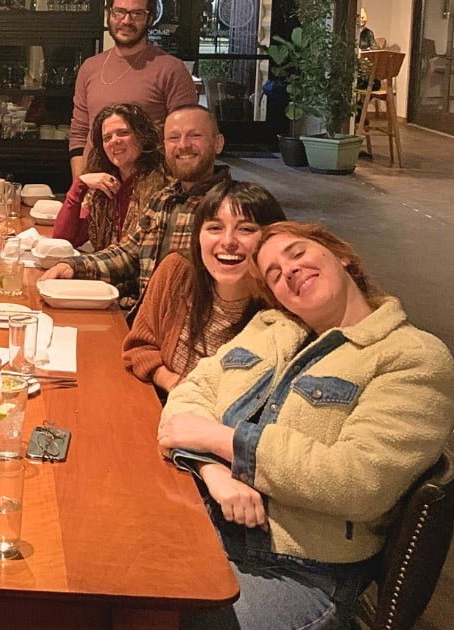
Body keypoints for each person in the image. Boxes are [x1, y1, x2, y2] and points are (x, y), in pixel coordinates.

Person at [157, 222, 454, 629]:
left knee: (154, 618)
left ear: (342, 255)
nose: (290, 271)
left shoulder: (411, 358)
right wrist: (213, 472)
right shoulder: (270, 329)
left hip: (303, 573)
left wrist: (221, 439)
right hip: (206, 524)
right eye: (274, 274)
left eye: (297, 254)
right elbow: (192, 392)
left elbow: (355, 481)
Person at [40, 105, 231, 308]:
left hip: (176, 320)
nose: (183, 145)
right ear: (165, 146)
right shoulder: (164, 199)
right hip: (142, 312)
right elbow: (128, 254)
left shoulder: (232, 207)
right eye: (174, 138)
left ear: (217, 143)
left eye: (195, 135)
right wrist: (72, 267)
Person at [123, 181, 285, 395]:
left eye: (246, 229)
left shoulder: (283, 307)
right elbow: (140, 347)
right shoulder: (177, 271)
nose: (228, 241)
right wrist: (174, 383)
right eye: (215, 228)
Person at [69, 0, 198, 179]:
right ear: (109, 15)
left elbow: (184, 138)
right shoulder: (90, 67)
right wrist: (81, 183)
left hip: (151, 187)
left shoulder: (171, 69)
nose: (126, 21)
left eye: (137, 14)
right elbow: (79, 134)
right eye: (119, 12)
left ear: (150, 18)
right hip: (96, 185)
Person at [53, 103, 170, 251]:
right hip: (104, 264)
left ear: (142, 137)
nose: (114, 140)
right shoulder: (102, 187)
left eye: (123, 133)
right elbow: (62, 241)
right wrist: (80, 184)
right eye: (107, 137)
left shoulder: (163, 189)